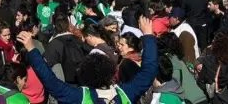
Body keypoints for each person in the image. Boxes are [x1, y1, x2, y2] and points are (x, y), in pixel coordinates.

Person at [17, 16, 157, 103]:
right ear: (110, 72)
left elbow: (50, 80)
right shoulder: (125, 94)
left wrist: (32, 50)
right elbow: (149, 71)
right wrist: (148, 36)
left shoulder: (81, 97)